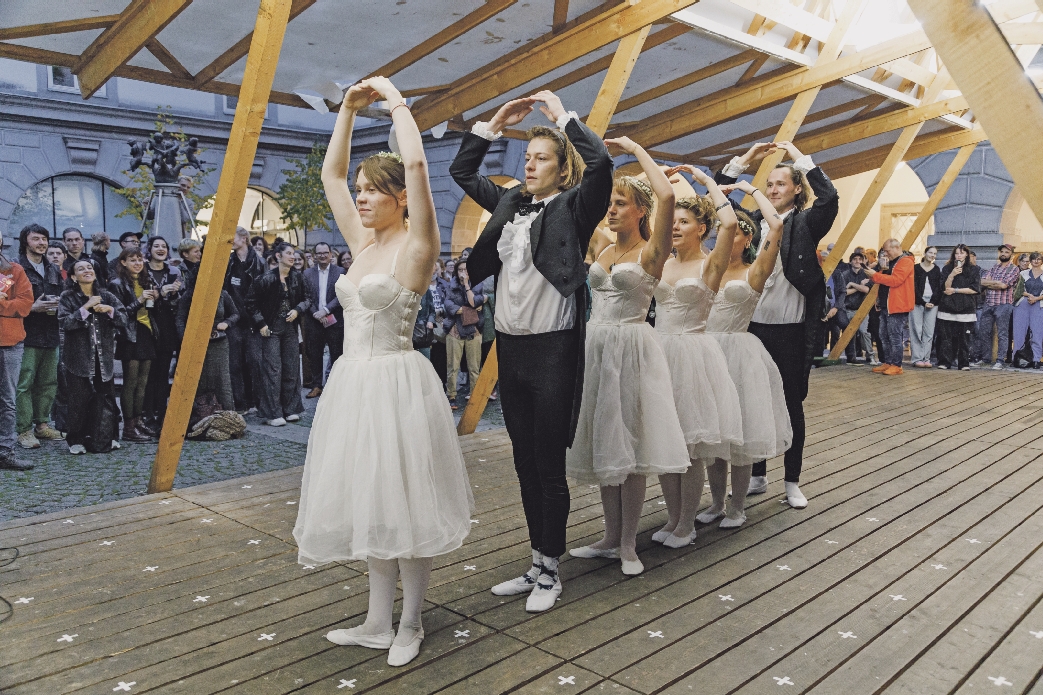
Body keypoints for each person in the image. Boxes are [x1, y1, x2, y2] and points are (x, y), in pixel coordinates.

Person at [295, 76, 472, 667]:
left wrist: (398, 100)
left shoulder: (416, 245)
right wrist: (345, 111)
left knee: (407, 499)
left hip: (398, 381)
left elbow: (419, 166)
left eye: (375, 191)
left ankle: (412, 621)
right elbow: (330, 177)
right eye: (362, 191)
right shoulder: (361, 242)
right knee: (372, 496)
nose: (362, 198)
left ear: (399, 198)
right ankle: (376, 620)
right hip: (354, 383)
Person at [450, 89, 612, 610]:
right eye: (527, 158)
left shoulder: (575, 207)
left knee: (547, 463)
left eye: (541, 158)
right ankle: (537, 560)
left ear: (563, 169)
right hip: (511, 349)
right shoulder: (509, 202)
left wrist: (564, 117)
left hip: (554, 350)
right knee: (522, 459)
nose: (531, 165)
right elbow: (461, 171)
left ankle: (551, 570)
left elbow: (603, 162)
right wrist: (493, 122)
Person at [566, 140, 692, 575]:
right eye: (611, 203)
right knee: (605, 441)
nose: (612, 210)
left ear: (641, 211)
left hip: (632, 348)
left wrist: (636, 151)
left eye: (621, 203)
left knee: (632, 444)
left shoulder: (651, 252)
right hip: (597, 347)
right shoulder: (602, 248)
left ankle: (628, 545)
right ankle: (607, 535)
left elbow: (669, 196)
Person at [714, 141, 838, 509]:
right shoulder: (752, 222)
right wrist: (744, 159)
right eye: (768, 184)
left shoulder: (805, 221)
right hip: (753, 329)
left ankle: (792, 481)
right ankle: (757, 474)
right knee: (752, 401)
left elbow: (829, 198)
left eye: (780, 184)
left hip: (792, 330)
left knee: (790, 403)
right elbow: (719, 198)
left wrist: (800, 156)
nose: (771, 190)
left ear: (797, 189)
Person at [648, 164, 744, 548]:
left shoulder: (711, 263)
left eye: (683, 222)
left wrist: (707, 182)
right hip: (658, 352)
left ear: (700, 228)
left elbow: (731, 224)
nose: (674, 227)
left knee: (689, 445)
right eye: (674, 221)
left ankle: (687, 522)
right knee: (663, 441)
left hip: (691, 354)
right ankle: (673, 517)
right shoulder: (662, 262)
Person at [59, 259, 125, 454]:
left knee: (108, 397)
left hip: (103, 357)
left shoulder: (107, 295)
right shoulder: (67, 297)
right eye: (81, 269)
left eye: (89, 267)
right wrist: (85, 308)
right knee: (78, 399)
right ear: (73, 276)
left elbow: (124, 319)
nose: (87, 270)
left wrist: (110, 310)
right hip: (78, 357)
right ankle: (76, 440)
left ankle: (110, 436)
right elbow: (65, 323)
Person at [246, 241, 306, 426]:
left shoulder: (297, 277)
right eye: (289, 253)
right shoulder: (265, 279)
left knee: (291, 368)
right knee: (273, 371)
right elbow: (250, 303)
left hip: (290, 328)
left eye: (294, 253)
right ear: (278, 256)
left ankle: (290, 409)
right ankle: (273, 413)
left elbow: (307, 299)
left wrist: (297, 309)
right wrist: (261, 323)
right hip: (270, 328)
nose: (293, 256)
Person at [15, 223, 63, 449]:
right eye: (37, 239)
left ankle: (42, 425)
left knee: (48, 382)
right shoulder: (15, 268)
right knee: (24, 383)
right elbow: (7, 302)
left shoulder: (53, 268)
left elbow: (63, 295)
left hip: (51, 333)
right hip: (25, 334)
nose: (42, 243)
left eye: (44, 239)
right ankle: (23, 430)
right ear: (26, 241)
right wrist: (33, 308)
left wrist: (60, 305)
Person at [108, 247, 160, 442]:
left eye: (140, 259)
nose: (137, 263)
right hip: (129, 334)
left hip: (146, 332)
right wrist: (139, 300)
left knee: (143, 382)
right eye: (132, 260)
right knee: (131, 382)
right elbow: (120, 314)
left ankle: (138, 422)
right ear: (123, 262)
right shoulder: (117, 283)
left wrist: (156, 297)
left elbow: (151, 309)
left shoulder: (146, 281)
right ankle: (129, 427)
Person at [0, 235, 36, 470]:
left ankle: (5, 452)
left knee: (7, 401)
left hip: (10, 342)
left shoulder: (14, 270)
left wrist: (3, 304)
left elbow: (25, 305)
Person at [141, 236, 184, 429]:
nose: (161, 249)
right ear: (149, 249)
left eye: (164, 246)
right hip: (147, 325)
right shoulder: (142, 270)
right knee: (148, 374)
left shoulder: (173, 271)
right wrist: (161, 291)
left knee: (163, 373)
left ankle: (162, 414)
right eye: (156, 246)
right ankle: (146, 415)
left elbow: (178, 303)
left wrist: (174, 294)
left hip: (167, 327)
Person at [176, 283, 237, 410]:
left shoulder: (222, 293)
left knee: (222, 380)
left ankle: (226, 416)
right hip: (196, 342)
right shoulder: (189, 294)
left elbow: (235, 314)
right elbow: (180, 319)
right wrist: (186, 341)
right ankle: (200, 415)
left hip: (219, 342)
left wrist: (227, 323)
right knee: (199, 380)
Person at [225, 226, 267, 412]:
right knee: (235, 363)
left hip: (253, 320)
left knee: (254, 361)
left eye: (232, 236)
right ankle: (240, 403)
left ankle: (256, 401)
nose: (230, 240)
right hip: (234, 320)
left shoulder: (259, 262)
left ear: (243, 238)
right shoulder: (229, 263)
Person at [863, 238, 914, 375]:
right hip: (886, 304)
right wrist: (873, 274)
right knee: (883, 335)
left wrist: (875, 276)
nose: (885, 253)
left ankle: (897, 365)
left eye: (887, 250)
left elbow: (896, 280)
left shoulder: (906, 261)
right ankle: (888, 362)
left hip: (898, 305)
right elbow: (883, 277)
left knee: (894, 336)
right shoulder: (891, 262)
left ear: (896, 248)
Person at [301, 241, 345, 399]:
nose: (322, 255)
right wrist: (316, 314)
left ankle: (335, 386)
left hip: (335, 320)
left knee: (336, 354)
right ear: (314, 256)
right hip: (314, 321)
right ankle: (316, 386)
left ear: (330, 254)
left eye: (325, 252)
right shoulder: (307, 274)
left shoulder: (340, 272)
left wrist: (326, 311)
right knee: (314, 354)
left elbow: (341, 295)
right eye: (319, 253)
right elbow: (306, 297)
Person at [442, 258, 485, 409]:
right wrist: (471, 310)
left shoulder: (478, 285)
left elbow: (476, 301)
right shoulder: (449, 286)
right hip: (454, 330)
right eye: (460, 270)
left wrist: (467, 285)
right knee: (452, 367)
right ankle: (451, 396)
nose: (463, 273)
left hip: (474, 330)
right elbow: (449, 306)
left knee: (474, 367)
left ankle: (475, 396)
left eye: (466, 270)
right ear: (456, 271)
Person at [973, 244, 1019, 369]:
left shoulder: (1014, 269)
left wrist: (990, 283)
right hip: (989, 303)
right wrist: (995, 283)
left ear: (1011, 255)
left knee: (1002, 333)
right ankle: (985, 359)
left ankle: (1000, 360)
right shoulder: (994, 267)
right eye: (1002, 252)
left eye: (1006, 252)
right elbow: (981, 282)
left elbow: (1004, 285)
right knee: (984, 331)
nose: (1003, 254)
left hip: (1003, 304)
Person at [936, 244, 981, 370]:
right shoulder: (947, 268)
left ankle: (963, 363)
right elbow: (944, 288)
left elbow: (974, 289)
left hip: (966, 308)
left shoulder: (974, 270)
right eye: (957, 253)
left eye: (961, 253)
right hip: (947, 307)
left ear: (967, 254)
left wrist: (956, 290)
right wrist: (952, 274)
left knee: (964, 338)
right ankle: (945, 362)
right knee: (946, 338)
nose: (959, 255)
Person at [911, 246, 941, 367]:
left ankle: (926, 358)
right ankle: (917, 358)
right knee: (916, 330)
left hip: (932, 303)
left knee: (929, 331)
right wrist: (923, 302)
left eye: (935, 253)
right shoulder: (916, 268)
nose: (932, 255)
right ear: (925, 253)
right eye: (930, 252)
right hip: (917, 302)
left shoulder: (936, 269)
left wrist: (933, 302)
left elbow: (939, 287)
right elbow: (914, 287)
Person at [841, 251, 872, 364]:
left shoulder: (866, 274)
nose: (857, 261)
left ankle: (870, 355)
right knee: (850, 333)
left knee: (864, 332)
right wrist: (859, 286)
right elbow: (844, 292)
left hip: (862, 308)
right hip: (848, 308)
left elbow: (867, 290)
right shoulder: (844, 274)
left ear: (863, 261)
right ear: (850, 261)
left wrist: (852, 285)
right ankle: (851, 357)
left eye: (860, 259)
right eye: (855, 259)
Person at [1013, 252, 1043, 368]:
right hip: (1023, 303)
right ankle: (1017, 358)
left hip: (1039, 304)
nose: (1036, 261)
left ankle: (1036, 359)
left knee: (1037, 333)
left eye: (1039, 259)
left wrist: (1036, 298)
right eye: (1034, 259)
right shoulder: (1023, 273)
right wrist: (1029, 295)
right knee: (1019, 332)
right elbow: (1018, 289)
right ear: (1030, 261)